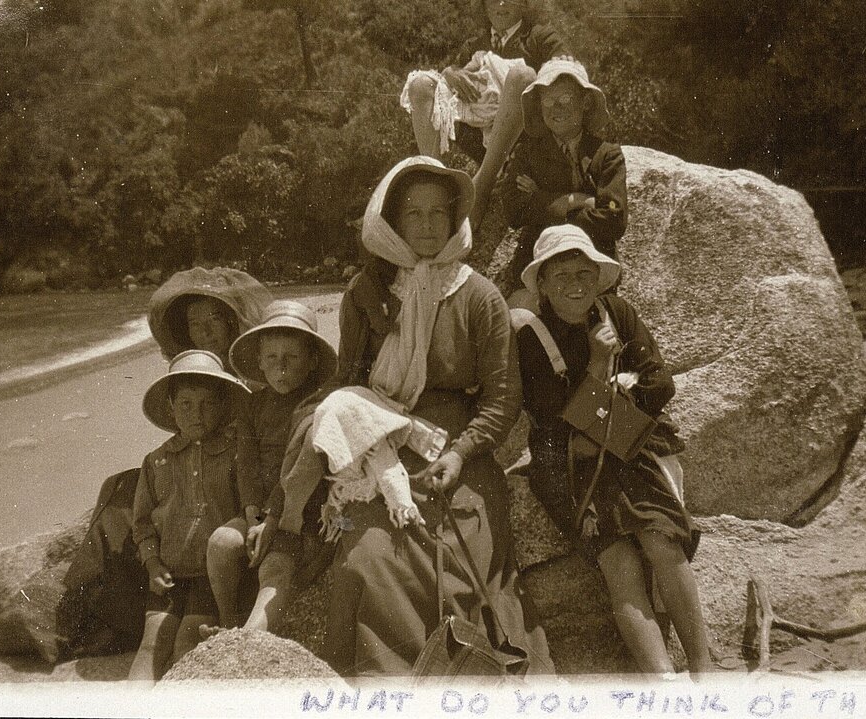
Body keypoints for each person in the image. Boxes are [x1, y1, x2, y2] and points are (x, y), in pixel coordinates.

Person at [278, 156, 554, 676]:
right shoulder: (365, 291)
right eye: (413, 214)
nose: (427, 226)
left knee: (467, 565)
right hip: (381, 444)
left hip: (457, 448)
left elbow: (502, 399)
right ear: (391, 222)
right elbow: (349, 378)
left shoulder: (479, 296)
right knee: (368, 556)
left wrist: (461, 452)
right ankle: (385, 686)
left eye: (438, 213)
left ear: (454, 219)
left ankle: (468, 675)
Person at [515, 224, 712, 679]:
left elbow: (660, 383)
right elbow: (554, 421)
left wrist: (604, 409)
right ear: (542, 284)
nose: (575, 285)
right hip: (568, 464)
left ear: (599, 276)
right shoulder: (531, 339)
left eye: (585, 272)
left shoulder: (617, 312)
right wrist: (602, 365)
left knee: (662, 542)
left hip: (625, 444)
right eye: (561, 275)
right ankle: (664, 683)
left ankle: (704, 673)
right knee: (618, 562)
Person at [200, 300, 338, 635]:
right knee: (220, 543)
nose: (281, 368)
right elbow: (246, 463)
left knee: (275, 566)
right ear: (260, 363)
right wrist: (252, 516)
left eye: (292, 358)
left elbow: (295, 470)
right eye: (272, 358)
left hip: (298, 512)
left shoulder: (316, 405)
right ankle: (228, 623)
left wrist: (269, 521)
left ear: (312, 361)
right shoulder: (252, 404)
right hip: (259, 510)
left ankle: (251, 635)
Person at [127, 350, 250, 682]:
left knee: (187, 643)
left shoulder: (235, 454)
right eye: (186, 404)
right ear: (171, 407)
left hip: (209, 579)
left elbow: (247, 509)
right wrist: (152, 563)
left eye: (208, 404)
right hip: (167, 575)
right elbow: (142, 523)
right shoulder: (156, 461)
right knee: (150, 645)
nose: (197, 414)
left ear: (222, 406)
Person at [401, 0, 567, 227]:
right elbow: (447, 91)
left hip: (524, 141)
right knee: (421, 85)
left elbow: (567, 72)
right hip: (478, 139)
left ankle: (482, 187)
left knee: (523, 75)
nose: (501, 5)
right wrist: (451, 73)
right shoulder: (477, 43)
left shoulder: (541, 37)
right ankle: (435, 181)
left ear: (524, 4)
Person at [501, 59, 627, 307]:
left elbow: (614, 220)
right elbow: (514, 210)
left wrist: (540, 198)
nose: (555, 108)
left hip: (594, 269)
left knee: (603, 326)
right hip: (537, 268)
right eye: (547, 100)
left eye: (565, 98)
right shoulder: (527, 153)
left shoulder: (606, 155)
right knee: (520, 317)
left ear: (585, 102)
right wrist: (577, 201)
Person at [148, 266, 274, 368]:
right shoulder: (187, 376)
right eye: (195, 324)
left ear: (230, 321)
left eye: (214, 319)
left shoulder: (258, 369)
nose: (205, 332)